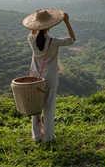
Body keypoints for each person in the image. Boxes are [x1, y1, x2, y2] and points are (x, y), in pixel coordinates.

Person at [22, 9, 76, 142]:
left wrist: (35, 25)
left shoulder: (31, 39)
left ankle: (36, 136)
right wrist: (66, 22)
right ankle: (48, 137)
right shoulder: (54, 41)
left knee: (35, 107)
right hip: (50, 78)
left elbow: (33, 31)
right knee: (49, 106)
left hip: (35, 77)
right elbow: (72, 40)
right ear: (50, 26)